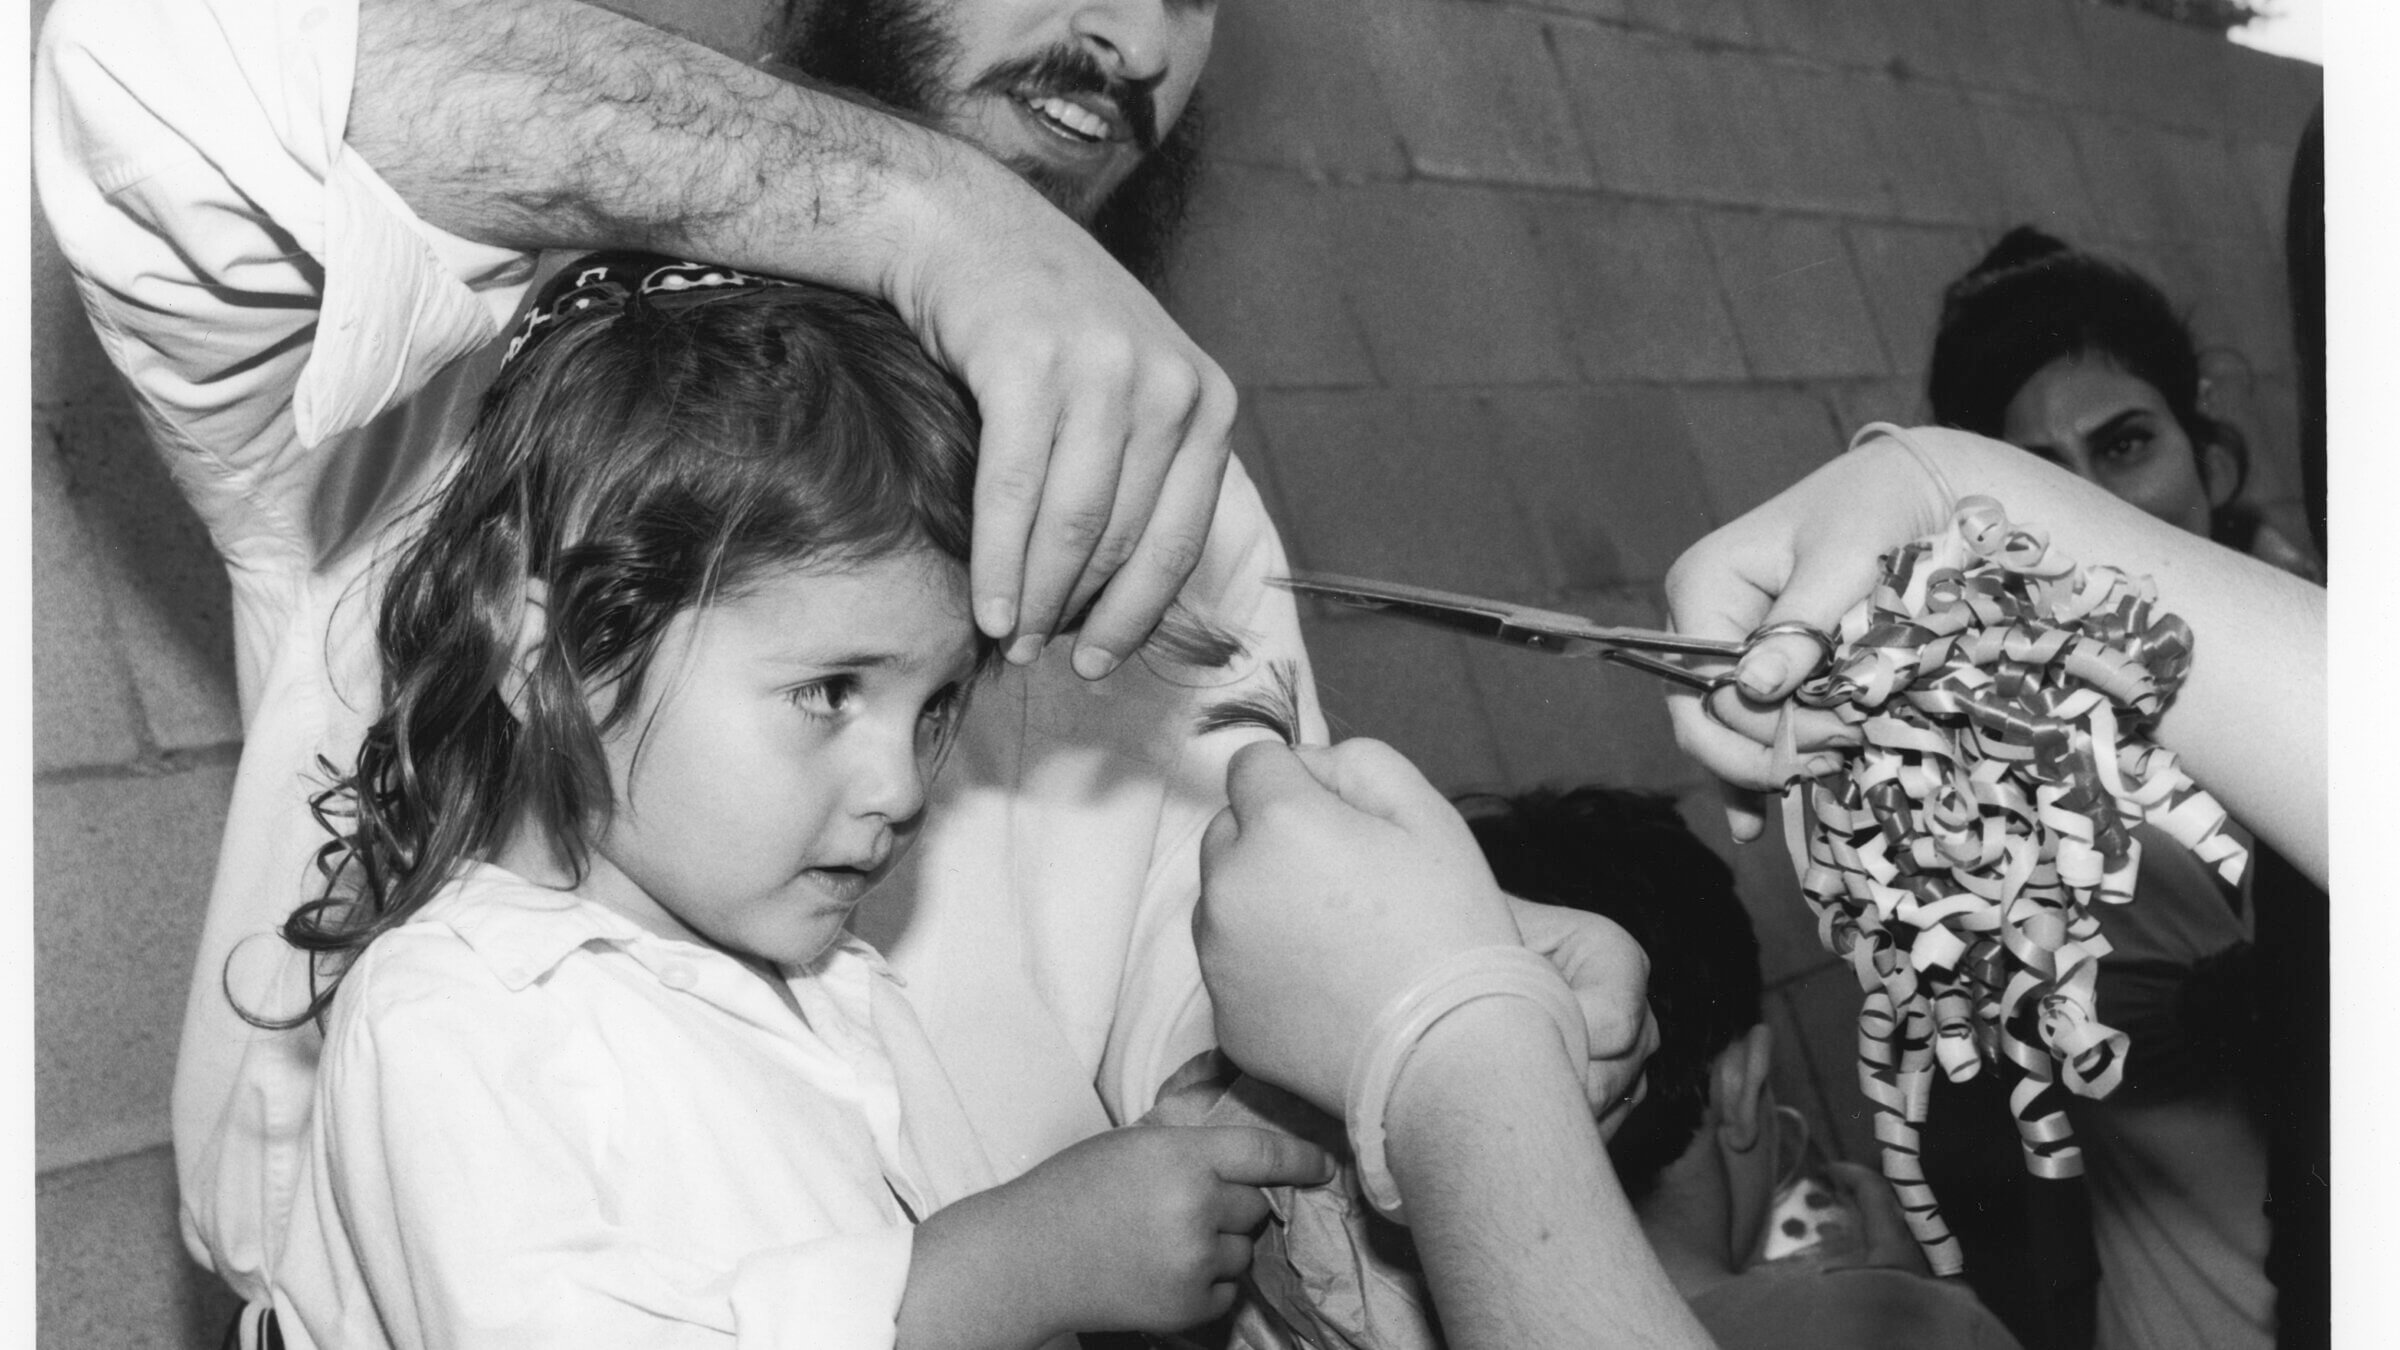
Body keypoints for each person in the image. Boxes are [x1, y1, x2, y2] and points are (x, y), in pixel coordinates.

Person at [34, 3, 1653, 1341]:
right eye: (824, 691)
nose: (1138, 38)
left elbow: (1201, 960)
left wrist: (1420, 1029)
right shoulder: (462, 343)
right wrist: (935, 218)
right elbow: (154, 62)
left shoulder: (1167, 485)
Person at [264, 257, 1336, 1348]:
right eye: (828, 692)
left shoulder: (840, 996)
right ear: (548, 654)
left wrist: (1140, 1202)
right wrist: (1010, 1270)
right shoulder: (453, 1015)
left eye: (936, 707)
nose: (904, 786)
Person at [1926, 229, 2316, 1350]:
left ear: (2205, 449)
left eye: (2127, 444)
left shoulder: (2328, 668)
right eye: (2042, 480)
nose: (2093, 513)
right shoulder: (1988, 768)